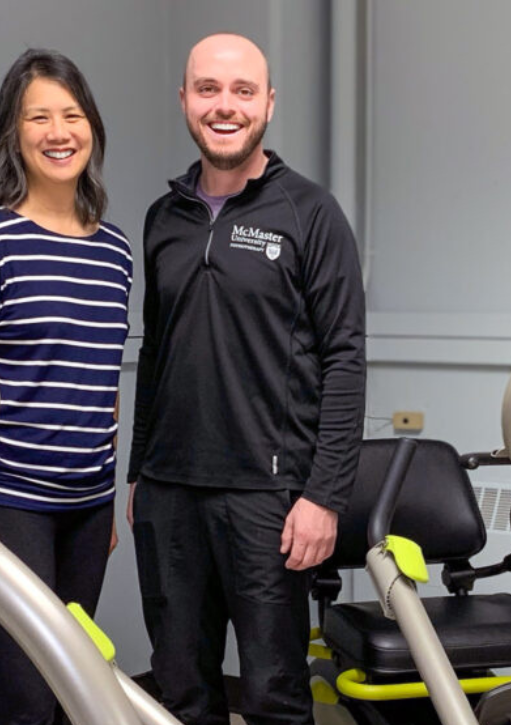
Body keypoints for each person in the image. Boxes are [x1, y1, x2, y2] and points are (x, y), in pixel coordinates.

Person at [127, 33, 366, 725]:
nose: (223, 105)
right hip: (168, 494)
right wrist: (139, 471)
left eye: (240, 91)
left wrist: (323, 494)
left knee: (272, 695)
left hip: (268, 498)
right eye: (207, 89)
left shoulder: (309, 213)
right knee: (181, 692)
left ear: (267, 103)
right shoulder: (161, 220)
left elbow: (344, 359)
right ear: (184, 100)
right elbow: (156, 350)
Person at [0, 48, 132, 725]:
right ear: (12, 135)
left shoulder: (116, 251)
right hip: (10, 503)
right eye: (37, 117)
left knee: (77, 692)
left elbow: (103, 378)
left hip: (86, 506)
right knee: (24, 698)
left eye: (71, 115)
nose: (57, 131)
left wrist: (102, 484)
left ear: (92, 127)